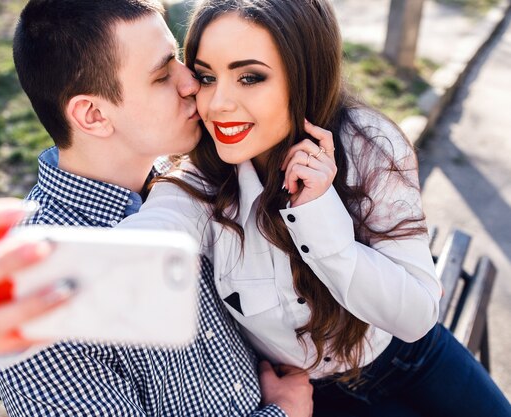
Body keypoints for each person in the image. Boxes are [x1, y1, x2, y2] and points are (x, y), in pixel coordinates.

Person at [0, 0, 313, 416]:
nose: (191, 81)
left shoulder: (193, 175)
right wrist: (283, 412)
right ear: (94, 115)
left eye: (176, 59)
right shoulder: (39, 289)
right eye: (161, 75)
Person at [113, 0, 510, 416]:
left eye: (250, 77)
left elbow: (416, 317)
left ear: (304, 76)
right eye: (207, 77)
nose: (218, 104)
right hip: (317, 397)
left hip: (409, 357)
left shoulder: (368, 145)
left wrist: (320, 214)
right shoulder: (198, 175)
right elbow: (159, 224)